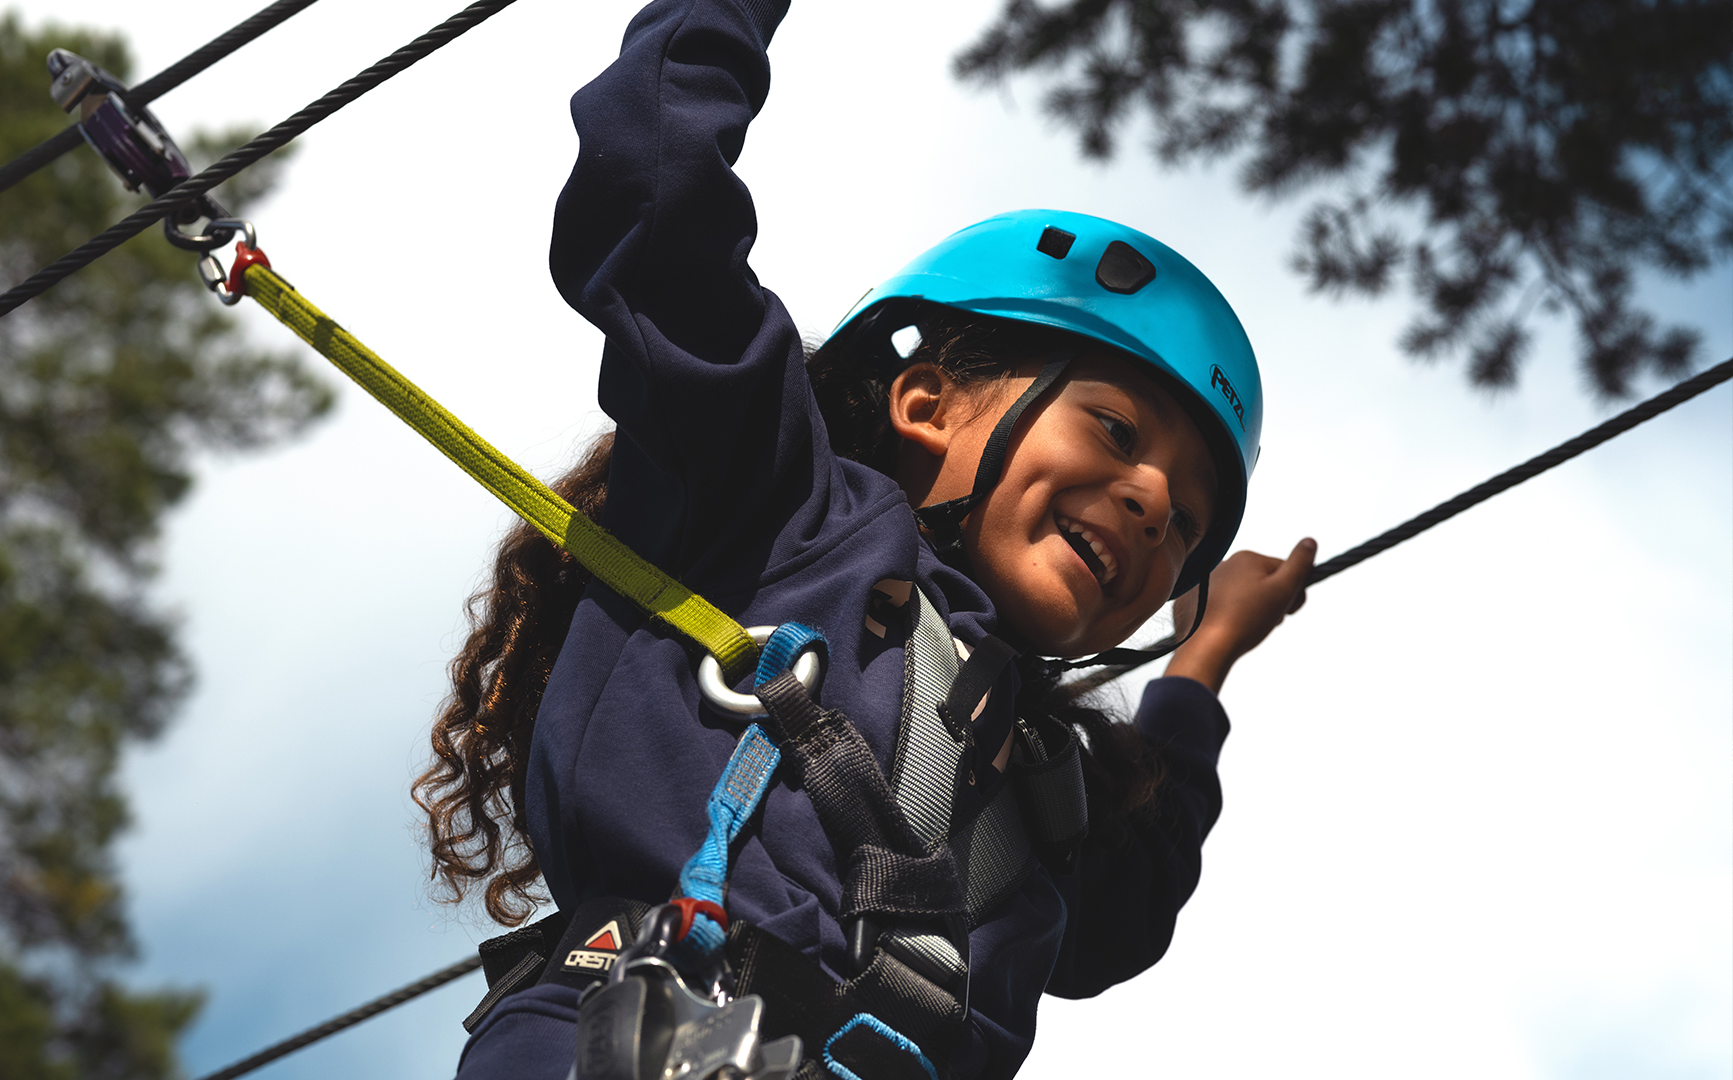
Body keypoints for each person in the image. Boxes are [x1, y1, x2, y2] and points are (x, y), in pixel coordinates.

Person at [416, 0, 1315, 1076]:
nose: (1154, 505)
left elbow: (1133, 906)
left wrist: (1201, 661)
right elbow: (661, 214)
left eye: (1188, 524)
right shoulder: (779, 511)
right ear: (927, 403)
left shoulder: (1047, 786)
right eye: (1116, 431)